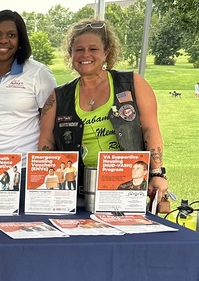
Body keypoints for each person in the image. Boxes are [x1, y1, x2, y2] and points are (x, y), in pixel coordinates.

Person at [38, 19, 169, 201]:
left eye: (93, 49)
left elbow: (150, 130)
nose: (85, 55)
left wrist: (157, 173)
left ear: (106, 53)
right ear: (71, 54)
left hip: (125, 185)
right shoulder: (58, 96)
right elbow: (46, 141)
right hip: (76, 191)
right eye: (79, 50)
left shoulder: (132, 83)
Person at [0, 10, 57, 159]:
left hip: (23, 168)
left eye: (11, 35)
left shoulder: (38, 73)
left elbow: (51, 125)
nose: (3, 40)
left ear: (20, 40)